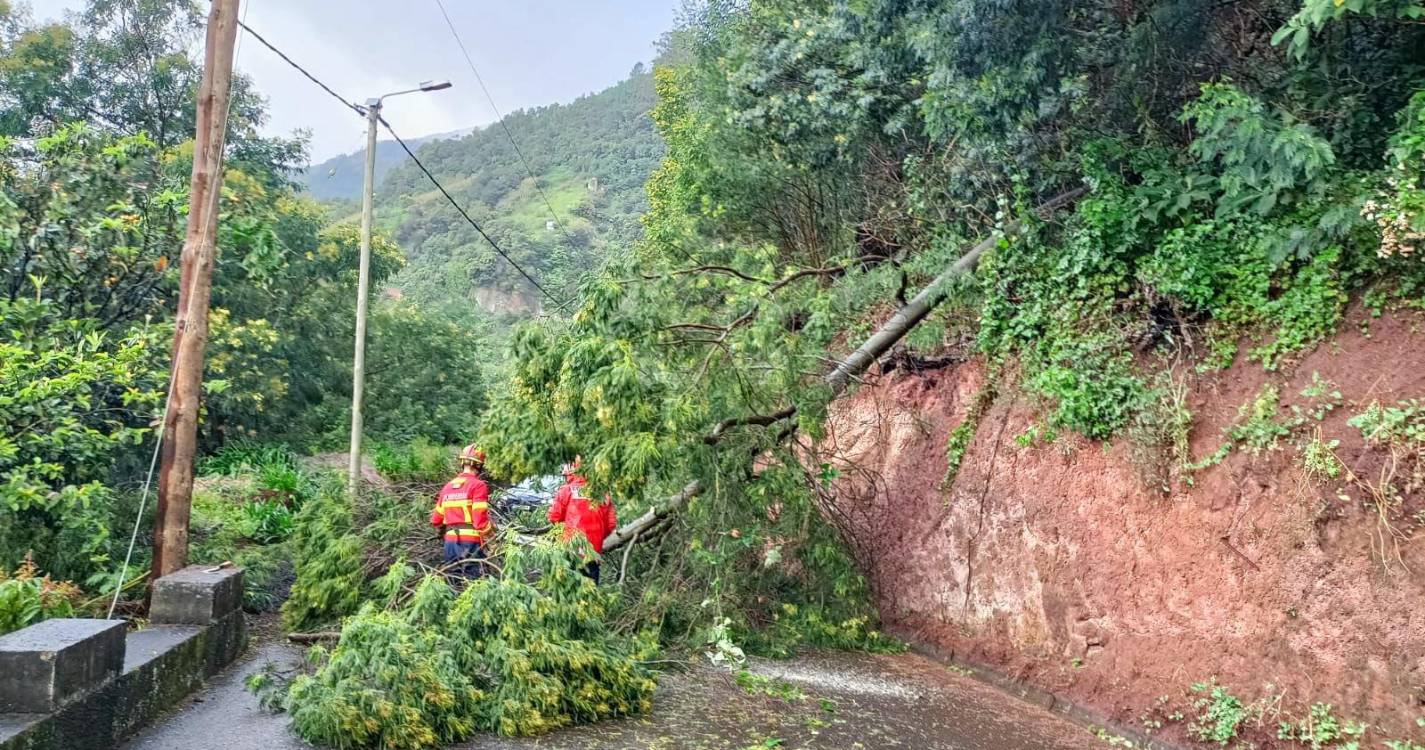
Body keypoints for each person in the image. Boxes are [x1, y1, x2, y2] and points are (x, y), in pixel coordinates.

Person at [548, 455, 616, 583]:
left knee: (569, 592)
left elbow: (554, 516)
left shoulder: (566, 491)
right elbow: (611, 524)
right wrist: (597, 539)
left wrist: (563, 535)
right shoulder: (601, 491)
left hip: (570, 550)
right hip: (592, 553)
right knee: (590, 593)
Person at [431, 444, 493, 580]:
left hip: (450, 543)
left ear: (462, 463)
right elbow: (480, 521)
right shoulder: (478, 485)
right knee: (473, 583)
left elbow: (436, 520)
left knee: (454, 582)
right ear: (479, 466)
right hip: (470, 542)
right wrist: (492, 535)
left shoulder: (447, 487)